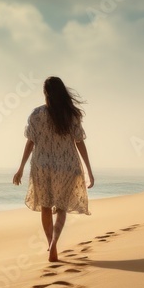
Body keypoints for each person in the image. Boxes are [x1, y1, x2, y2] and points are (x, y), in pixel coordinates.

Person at [13, 77, 95, 262]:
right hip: (66, 166)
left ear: (46, 93)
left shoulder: (36, 114)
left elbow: (30, 143)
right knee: (62, 207)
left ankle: (50, 243)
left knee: (45, 206)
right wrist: (89, 170)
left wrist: (20, 168)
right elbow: (79, 142)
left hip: (42, 166)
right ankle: (54, 242)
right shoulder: (71, 115)